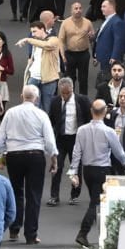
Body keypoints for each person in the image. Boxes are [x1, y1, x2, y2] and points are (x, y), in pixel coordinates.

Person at [0, 85, 59, 245]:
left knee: (16, 193)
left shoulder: (10, 113)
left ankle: (14, 229)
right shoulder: (41, 114)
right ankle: (31, 234)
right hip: (35, 155)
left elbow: (1, 137)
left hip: (14, 156)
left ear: (22, 96)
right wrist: (54, 158)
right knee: (34, 195)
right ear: (36, 98)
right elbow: (49, 140)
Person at [69, 99, 125, 247]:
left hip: (87, 170)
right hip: (102, 170)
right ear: (105, 112)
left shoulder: (81, 130)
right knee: (96, 203)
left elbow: (76, 152)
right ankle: (83, 233)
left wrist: (73, 172)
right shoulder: (109, 131)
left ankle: (101, 234)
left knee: (96, 201)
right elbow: (118, 151)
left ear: (91, 111)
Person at [47, 77, 91, 207]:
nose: (65, 95)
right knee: (57, 167)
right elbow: (51, 120)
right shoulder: (55, 101)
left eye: (68, 93)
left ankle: (75, 195)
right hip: (60, 138)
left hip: (76, 139)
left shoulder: (82, 100)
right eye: (63, 93)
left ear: (72, 89)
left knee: (76, 167)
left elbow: (89, 118)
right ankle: (54, 196)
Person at [17, 21, 61, 112]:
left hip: (48, 79)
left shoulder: (54, 39)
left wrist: (28, 40)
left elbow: (47, 45)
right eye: (32, 32)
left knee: (46, 108)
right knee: (32, 107)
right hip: (33, 77)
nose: (33, 34)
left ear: (42, 29)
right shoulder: (36, 43)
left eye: (34, 31)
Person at [59, 2, 95, 95]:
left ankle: (84, 99)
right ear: (71, 10)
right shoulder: (65, 23)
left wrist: (91, 37)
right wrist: (62, 55)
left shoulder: (87, 22)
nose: (78, 10)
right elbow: (61, 40)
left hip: (84, 54)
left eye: (80, 8)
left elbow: (93, 40)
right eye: (76, 8)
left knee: (83, 79)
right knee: (70, 79)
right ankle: (70, 98)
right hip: (70, 54)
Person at [94, 0, 124, 72]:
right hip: (104, 58)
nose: (101, 9)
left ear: (111, 7)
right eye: (101, 7)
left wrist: (114, 57)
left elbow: (118, 41)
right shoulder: (108, 20)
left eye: (104, 6)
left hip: (110, 59)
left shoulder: (117, 22)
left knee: (109, 79)